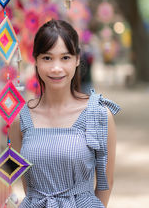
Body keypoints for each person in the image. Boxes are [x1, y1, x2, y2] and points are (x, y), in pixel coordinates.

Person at [9, 19, 120, 208]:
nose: (56, 68)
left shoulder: (99, 114)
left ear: (77, 59)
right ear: (35, 60)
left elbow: (105, 183)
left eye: (65, 58)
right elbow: (28, 188)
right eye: (47, 58)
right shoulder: (20, 120)